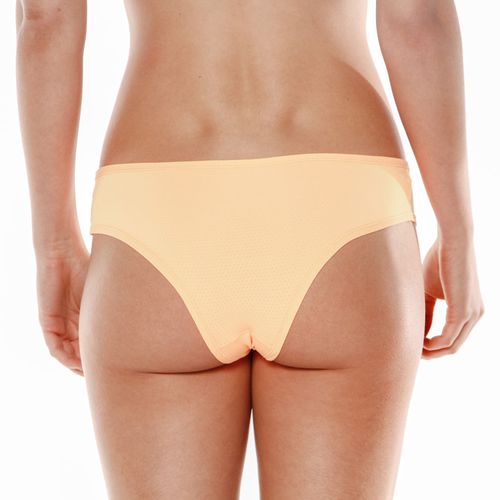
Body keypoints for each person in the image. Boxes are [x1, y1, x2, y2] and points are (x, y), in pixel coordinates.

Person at [16, 0, 484, 498]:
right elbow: (417, 17)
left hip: (158, 210)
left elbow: (47, 19)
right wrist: (456, 235)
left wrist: (54, 247)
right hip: (340, 204)